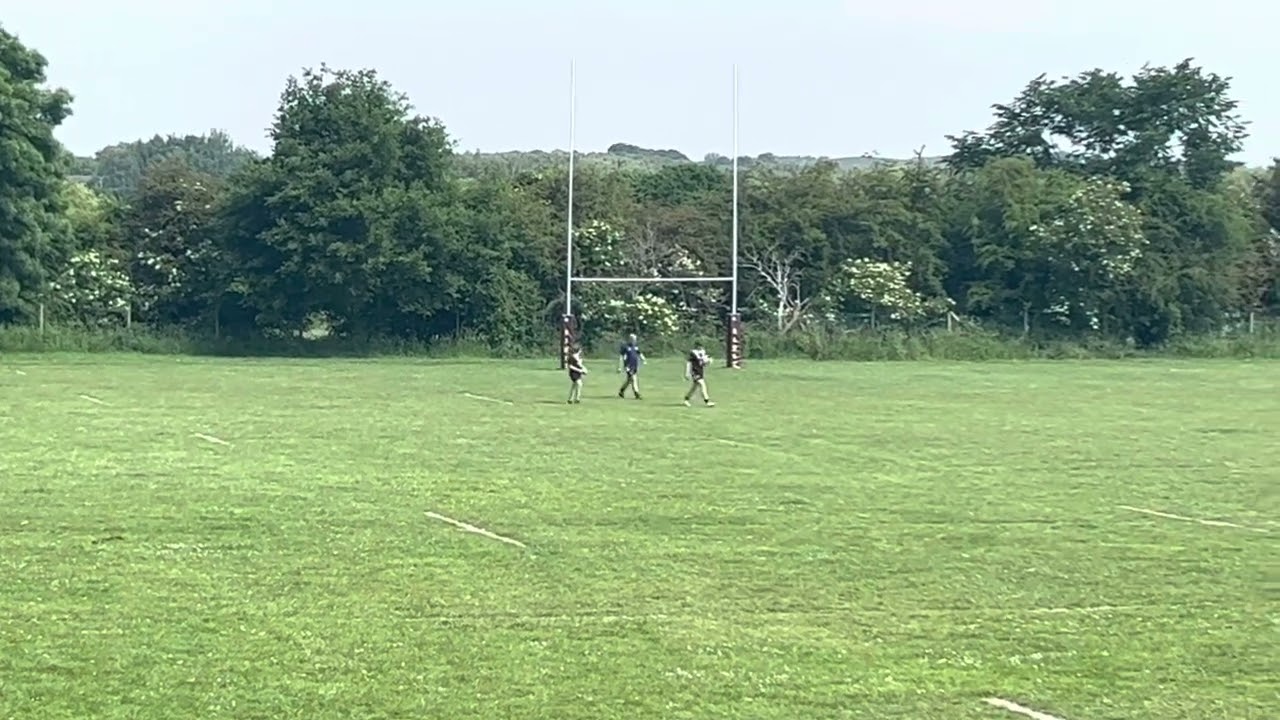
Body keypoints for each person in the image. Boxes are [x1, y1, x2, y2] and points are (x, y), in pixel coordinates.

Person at [683, 342, 716, 407]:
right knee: (702, 385)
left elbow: (702, 363)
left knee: (694, 388)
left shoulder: (702, 352)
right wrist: (687, 373)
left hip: (700, 371)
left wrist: (708, 362)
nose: (701, 348)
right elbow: (689, 363)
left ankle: (686, 399)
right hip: (694, 372)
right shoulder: (693, 353)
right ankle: (707, 401)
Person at [617, 333, 645, 399]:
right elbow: (622, 357)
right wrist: (620, 367)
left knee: (629, 380)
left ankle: (622, 390)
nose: (634, 340)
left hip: (634, 365)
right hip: (628, 366)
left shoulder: (635, 347)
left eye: (634, 339)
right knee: (633, 379)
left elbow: (639, 353)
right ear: (629, 339)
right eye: (632, 339)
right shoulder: (626, 347)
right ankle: (637, 394)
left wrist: (643, 359)